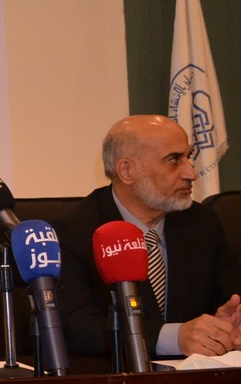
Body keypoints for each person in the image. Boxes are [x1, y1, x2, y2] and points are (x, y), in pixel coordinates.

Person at [57, 114, 241, 359]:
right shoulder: (73, 232)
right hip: (119, 377)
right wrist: (174, 338)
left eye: (188, 157)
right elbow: (76, 328)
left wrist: (225, 326)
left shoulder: (202, 222)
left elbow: (227, 298)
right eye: (173, 160)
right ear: (127, 171)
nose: (191, 173)